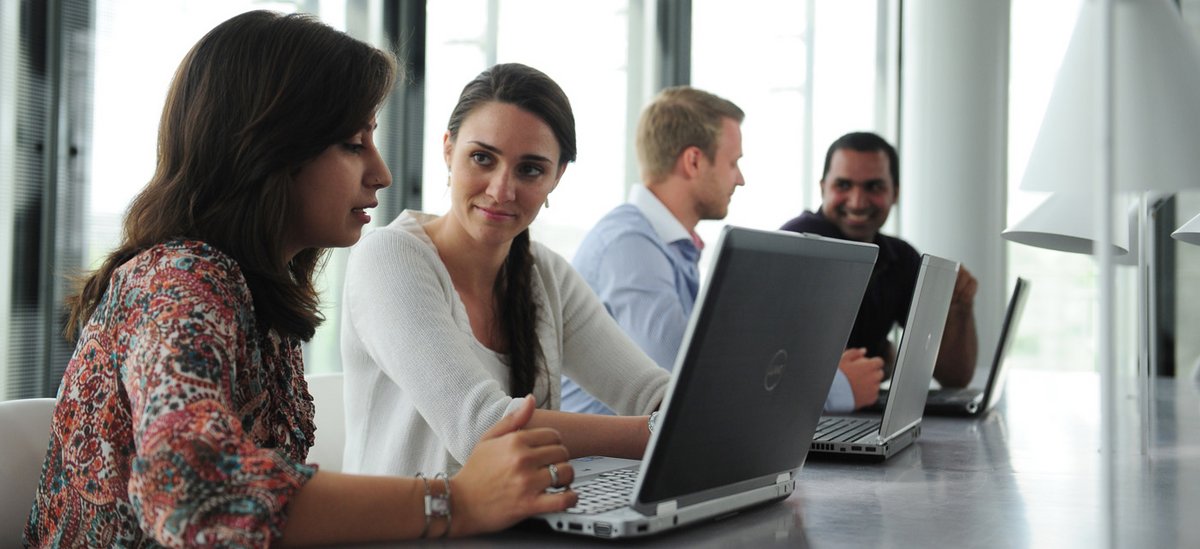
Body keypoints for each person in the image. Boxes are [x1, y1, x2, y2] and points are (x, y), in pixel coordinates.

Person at [25, 12, 578, 547]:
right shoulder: (181, 280)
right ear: (269, 148)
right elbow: (197, 496)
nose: (381, 173)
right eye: (353, 144)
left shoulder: (253, 289)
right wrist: (455, 502)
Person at [339, 63, 671, 478]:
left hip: (522, 529)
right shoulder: (388, 257)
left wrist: (687, 417)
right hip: (406, 536)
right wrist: (661, 432)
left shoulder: (545, 274)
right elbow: (483, 428)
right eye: (482, 158)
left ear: (557, 176)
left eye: (530, 169)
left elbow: (650, 391)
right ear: (448, 149)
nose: (501, 190)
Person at [561, 87, 885, 415]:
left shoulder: (665, 245)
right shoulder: (629, 246)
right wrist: (833, 388)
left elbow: (716, 363)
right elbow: (685, 382)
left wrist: (821, 376)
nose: (740, 179)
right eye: (733, 163)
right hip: (603, 462)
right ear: (694, 161)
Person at [779, 131, 978, 390]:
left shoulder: (900, 257)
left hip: (856, 419)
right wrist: (883, 363)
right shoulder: (795, 246)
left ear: (894, 193)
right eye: (843, 185)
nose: (858, 202)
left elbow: (954, 377)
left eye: (874, 187)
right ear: (822, 188)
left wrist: (960, 309)